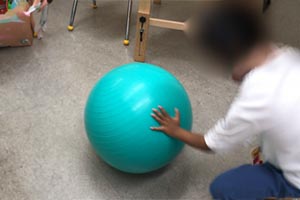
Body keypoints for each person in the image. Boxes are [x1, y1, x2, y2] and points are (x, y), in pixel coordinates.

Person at [150, 3, 300, 199]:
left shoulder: (257, 98)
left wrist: (177, 131)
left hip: (295, 177)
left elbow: (212, 143)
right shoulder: (289, 56)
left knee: (224, 188)